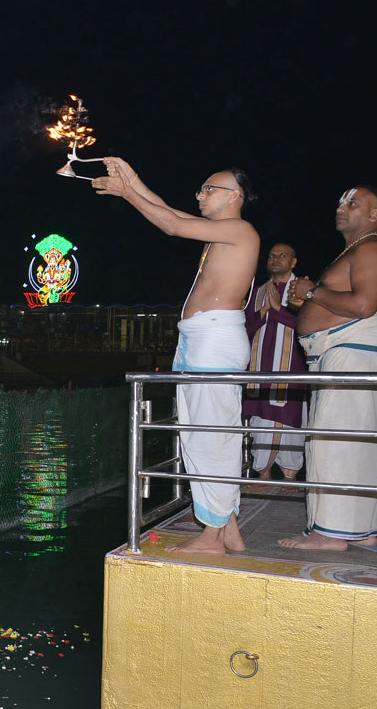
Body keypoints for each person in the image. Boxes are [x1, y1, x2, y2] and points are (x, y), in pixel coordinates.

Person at [95, 160, 259, 555]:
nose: (200, 194)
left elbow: (170, 225)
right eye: (201, 188)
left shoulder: (240, 230)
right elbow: (170, 214)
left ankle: (212, 535)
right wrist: (133, 179)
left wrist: (125, 192)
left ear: (235, 196)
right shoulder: (220, 235)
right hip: (201, 340)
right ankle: (229, 525)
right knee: (207, 432)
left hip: (214, 342)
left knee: (208, 437)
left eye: (210, 188)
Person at [281, 185, 377, 550]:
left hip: (355, 348)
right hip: (344, 349)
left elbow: (363, 304)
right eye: (340, 202)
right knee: (352, 442)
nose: (342, 207)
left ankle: (329, 534)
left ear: (375, 213)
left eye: (353, 202)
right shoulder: (357, 249)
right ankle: (360, 529)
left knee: (334, 442)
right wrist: (305, 301)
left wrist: (313, 291)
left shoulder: (373, 247)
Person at [243, 243, 308, 483]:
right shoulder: (257, 291)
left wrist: (278, 309)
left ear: (293, 262)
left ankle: (290, 475)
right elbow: (246, 328)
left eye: (283, 256)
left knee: (290, 419)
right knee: (261, 420)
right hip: (260, 369)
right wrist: (262, 314)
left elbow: (307, 324)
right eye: (272, 255)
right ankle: (264, 472)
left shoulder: (301, 290)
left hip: (290, 369)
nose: (276, 259)